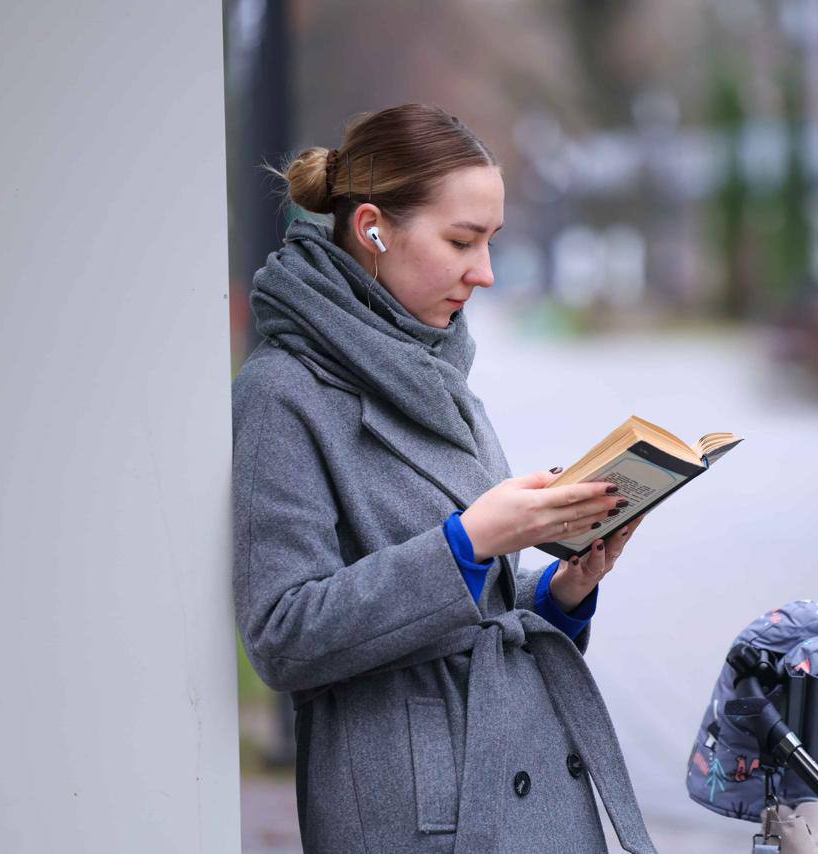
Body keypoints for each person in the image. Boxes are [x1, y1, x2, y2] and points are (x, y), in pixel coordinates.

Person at [232, 104, 657, 853]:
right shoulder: (281, 391)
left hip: (527, 789)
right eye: (462, 241)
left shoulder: (434, 366)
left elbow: (472, 615)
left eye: (490, 242)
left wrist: (561, 592)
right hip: (417, 815)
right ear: (372, 228)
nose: (485, 273)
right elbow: (282, 635)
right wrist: (470, 539)